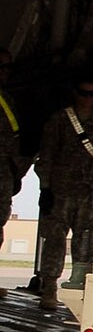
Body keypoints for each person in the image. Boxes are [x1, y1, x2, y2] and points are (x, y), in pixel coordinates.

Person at [33, 76, 93, 311]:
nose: (88, 98)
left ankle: (80, 289)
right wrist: (45, 188)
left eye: (92, 94)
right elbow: (46, 155)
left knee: (87, 241)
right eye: (84, 93)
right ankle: (49, 289)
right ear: (75, 93)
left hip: (90, 191)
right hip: (61, 190)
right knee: (55, 241)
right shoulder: (60, 120)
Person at [0, 49, 23, 228]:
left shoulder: (7, 100)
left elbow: (12, 140)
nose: (5, 71)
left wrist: (14, 173)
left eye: (8, 67)